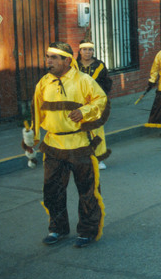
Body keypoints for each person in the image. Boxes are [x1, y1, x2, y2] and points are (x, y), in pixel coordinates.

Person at [22, 42, 107, 248]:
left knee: (87, 191)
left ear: (67, 60)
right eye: (47, 57)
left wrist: (84, 112)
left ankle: (87, 231)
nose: (48, 61)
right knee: (52, 190)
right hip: (53, 145)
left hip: (80, 144)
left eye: (53, 57)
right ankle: (57, 229)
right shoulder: (43, 83)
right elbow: (36, 112)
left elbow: (101, 100)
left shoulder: (84, 80)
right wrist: (31, 141)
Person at [77, 40, 112, 170]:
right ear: (80, 51)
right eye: (85, 49)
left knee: (96, 130)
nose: (88, 52)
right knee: (79, 131)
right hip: (78, 103)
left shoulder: (100, 66)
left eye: (90, 50)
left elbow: (106, 83)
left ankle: (98, 158)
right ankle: (81, 158)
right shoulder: (73, 65)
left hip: (95, 104)